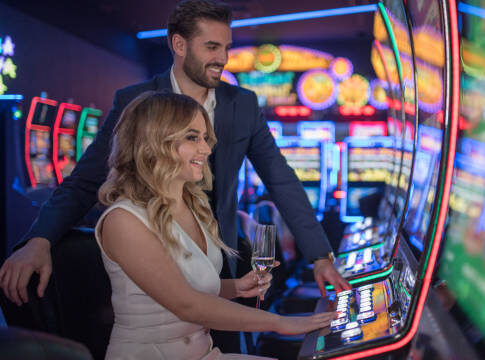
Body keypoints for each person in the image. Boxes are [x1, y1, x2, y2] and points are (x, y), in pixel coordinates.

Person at [0, 0, 348, 312]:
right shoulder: (135, 100)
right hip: (153, 258)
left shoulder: (242, 105)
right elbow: (84, 181)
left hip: (219, 259)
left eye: (226, 47)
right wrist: (39, 239)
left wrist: (320, 255)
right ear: (178, 45)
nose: (222, 58)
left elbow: (281, 179)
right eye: (211, 47)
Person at [95, 91, 334, 359]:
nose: (207, 149)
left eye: (205, 138)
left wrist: (236, 287)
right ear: (155, 141)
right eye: (192, 137)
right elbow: (187, 305)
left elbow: (187, 286)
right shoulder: (124, 220)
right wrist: (281, 323)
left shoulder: (192, 206)